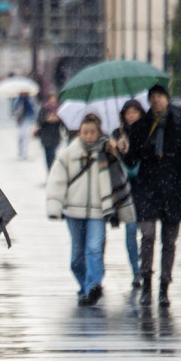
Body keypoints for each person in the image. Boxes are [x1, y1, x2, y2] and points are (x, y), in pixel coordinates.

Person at [118, 84, 181, 307]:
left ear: (167, 99)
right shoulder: (141, 126)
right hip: (147, 189)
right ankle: (146, 282)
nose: (156, 101)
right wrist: (124, 149)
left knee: (169, 241)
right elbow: (132, 161)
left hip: (172, 189)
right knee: (147, 235)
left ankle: (164, 285)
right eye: (152, 97)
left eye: (160, 96)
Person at [46, 114, 136, 306]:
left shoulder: (106, 152)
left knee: (94, 250)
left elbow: (119, 177)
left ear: (98, 133)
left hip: (98, 212)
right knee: (77, 257)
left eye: (92, 132)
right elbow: (56, 180)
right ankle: (84, 285)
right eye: (85, 132)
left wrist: (117, 150)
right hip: (73, 212)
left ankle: (93, 286)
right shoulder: (69, 154)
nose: (88, 136)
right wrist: (54, 206)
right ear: (79, 133)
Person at [111, 100, 147, 289]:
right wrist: (118, 149)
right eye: (128, 112)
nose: (131, 116)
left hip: (144, 188)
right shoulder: (117, 134)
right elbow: (112, 164)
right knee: (131, 230)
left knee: (146, 231)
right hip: (125, 190)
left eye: (135, 112)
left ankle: (145, 263)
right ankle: (136, 270)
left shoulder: (148, 132)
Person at [36, 93, 63, 170]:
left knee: (53, 154)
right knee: (48, 155)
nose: (53, 101)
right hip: (46, 135)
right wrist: (47, 119)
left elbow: (62, 123)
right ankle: (50, 170)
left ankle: (52, 170)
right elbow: (40, 121)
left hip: (55, 135)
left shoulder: (59, 109)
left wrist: (57, 119)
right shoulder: (44, 108)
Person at [12, 91, 37, 161]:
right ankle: (21, 151)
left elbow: (32, 111)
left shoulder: (29, 100)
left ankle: (24, 153)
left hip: (27, 120)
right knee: (21, 137)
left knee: (25, 137)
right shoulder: (18, 100)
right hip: (21, 120)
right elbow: (15, 110)